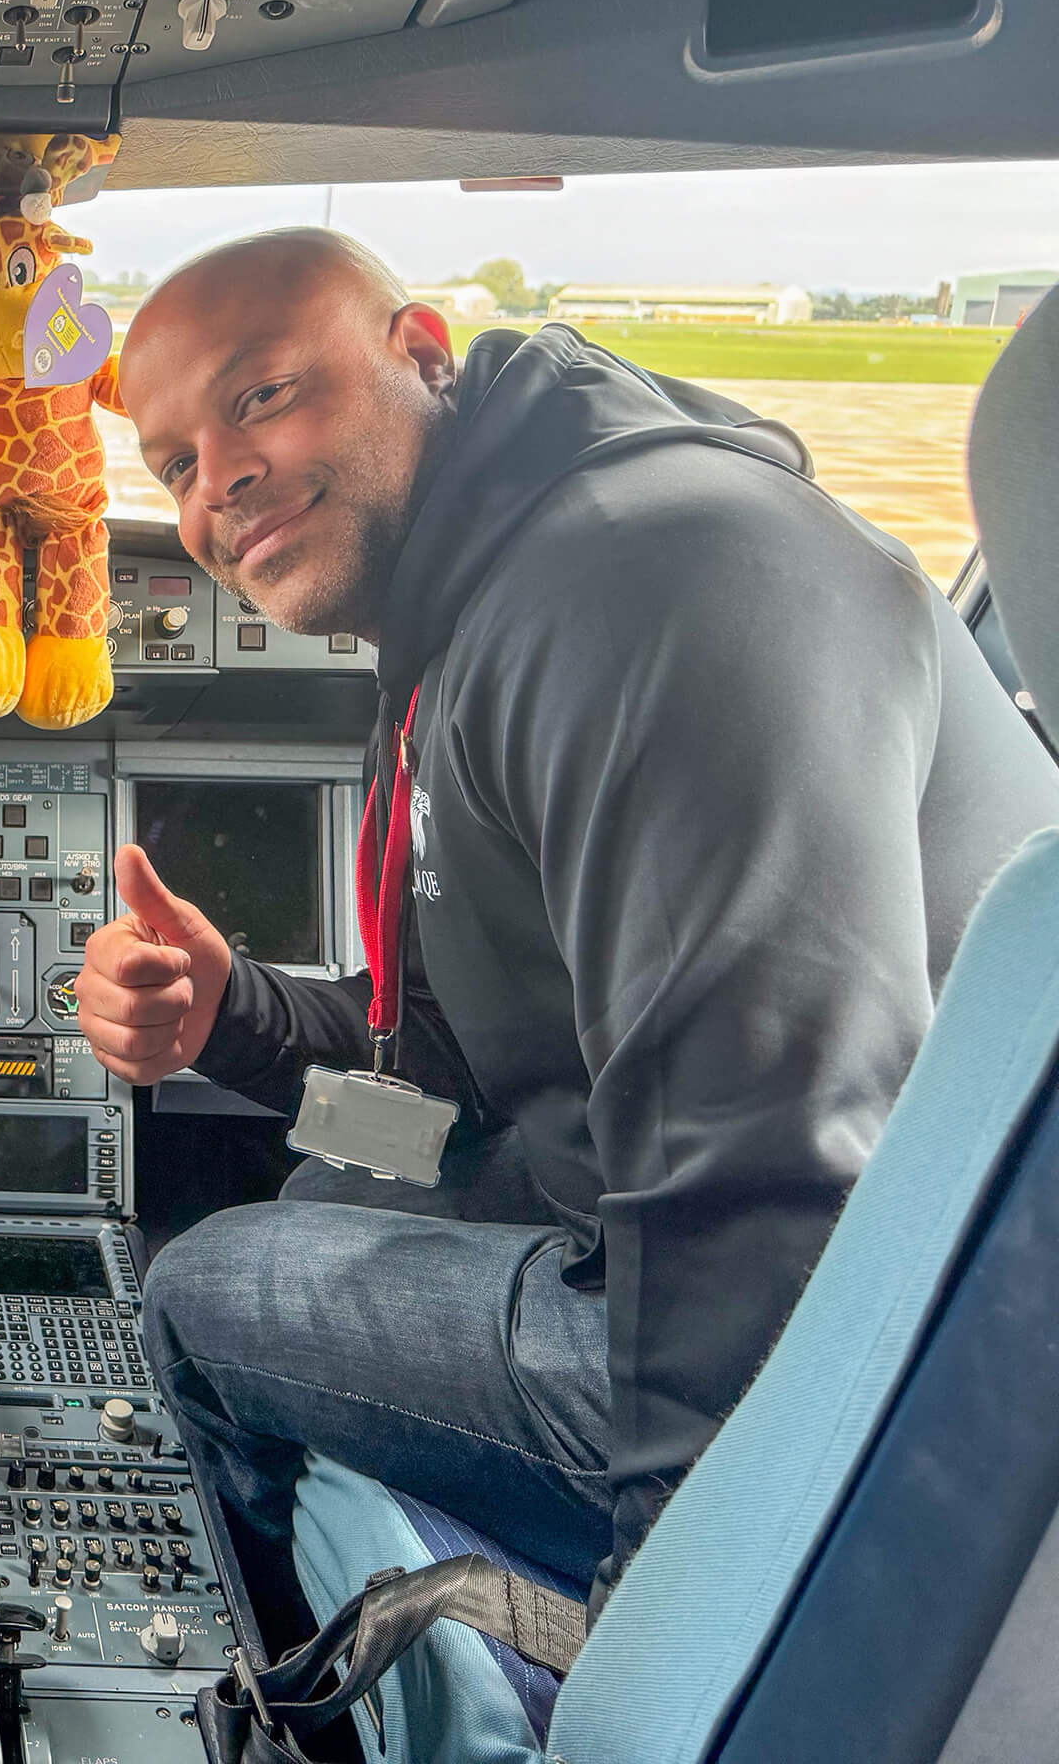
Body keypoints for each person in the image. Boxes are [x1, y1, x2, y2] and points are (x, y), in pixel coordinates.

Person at [85, 228, 1059, 1621]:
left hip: (884, 1356)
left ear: (419, 351)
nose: (215, 483)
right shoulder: (461, 626)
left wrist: (669, 1653)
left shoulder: (645, 581)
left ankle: (271, 1678)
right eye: (172, 464)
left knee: (200, 1290)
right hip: (716, 1240)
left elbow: (763, 1193)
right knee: (324, 1191)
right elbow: (452, 1098)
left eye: (260, 396)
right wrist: (230, 1017)